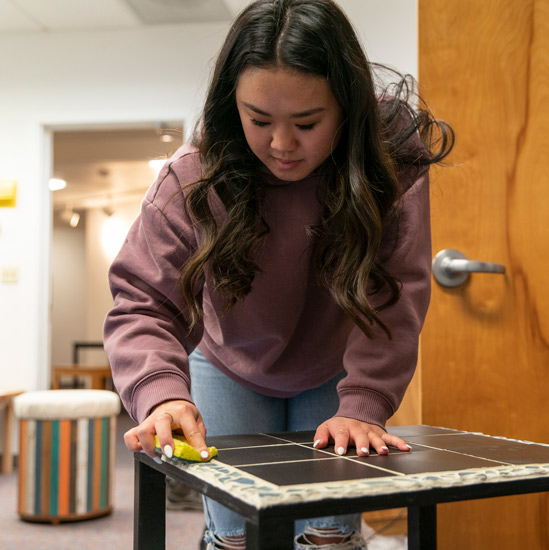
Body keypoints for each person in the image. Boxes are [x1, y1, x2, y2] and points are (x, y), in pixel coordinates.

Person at [103, 1, 453, 548]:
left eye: (307, 123)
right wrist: (161, 392)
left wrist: (364, 404)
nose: (282, 145)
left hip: (334, 367)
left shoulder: (389, 159)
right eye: (259, 120)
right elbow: (142, 301)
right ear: (232, 105)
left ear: (348, 106)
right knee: (237, 534)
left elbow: (394, 292)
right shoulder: (193, 176)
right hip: (227, 360)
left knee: (328, 533)